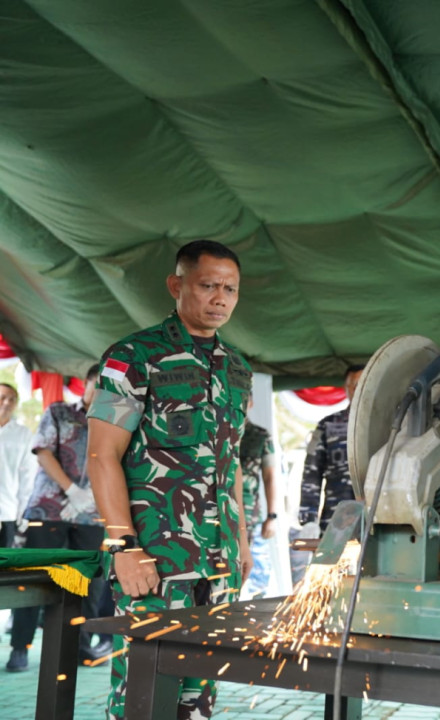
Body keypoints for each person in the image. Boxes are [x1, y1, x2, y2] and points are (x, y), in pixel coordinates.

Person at [87, 239, 253, 720]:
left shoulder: (237, 369)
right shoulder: (134, 356)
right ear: (177, 285)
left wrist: (240, 540)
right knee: (143, 690)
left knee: (200, 693)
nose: (220, 298)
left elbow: (232, 461)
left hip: (219, 558)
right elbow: (102, 454)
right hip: (156, 558)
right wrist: (123, 546)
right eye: (207, 286)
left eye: (230, 289)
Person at [7, 366, 111, 673]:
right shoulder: (60, 411)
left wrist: (94, 497)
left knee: (87, 585)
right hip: (48, 509)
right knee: (35, 579)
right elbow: (42, 451)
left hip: (93, 516)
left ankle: (79, 646)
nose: (102, 392)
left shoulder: (116, 423)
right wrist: (71, 490)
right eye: (98, 384)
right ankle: (20, 647)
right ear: (86, 384)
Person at [295, 364, 365, 539]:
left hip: (379, 519)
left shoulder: (390, 425)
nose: (361, 389)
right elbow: (311, 473)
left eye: (366, 383)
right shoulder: (328, 425)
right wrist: (308, 519)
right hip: (337, 519)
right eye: (356, 384)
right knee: (334, 566)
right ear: (347, 388)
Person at [238, 410, 276, 599]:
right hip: (222, 513)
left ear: (251, 402)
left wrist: (272, 516)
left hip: (250, 513)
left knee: (253, 572)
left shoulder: (260, 436)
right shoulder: (220, 428)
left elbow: (270, 477)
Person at [0, 383, 34, 549]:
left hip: (8, 512)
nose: (7, 402)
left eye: (12, 399)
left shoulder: (24, 435)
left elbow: (28, 476)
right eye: (2, 397)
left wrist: (23, 512)